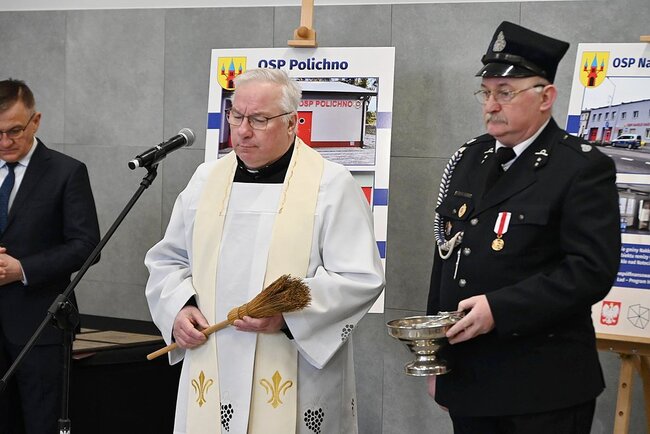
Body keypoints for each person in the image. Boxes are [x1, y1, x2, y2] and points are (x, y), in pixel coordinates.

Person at [145, 68, 384, 434]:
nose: (242, 130)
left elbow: (359, 277)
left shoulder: (330, 185)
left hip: (292, 365)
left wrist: (288, 316)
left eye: (258, 119)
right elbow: (169, 259)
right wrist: (179, 307)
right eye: (236, 116)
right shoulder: (206, 181)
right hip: (213, 358)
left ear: (291, 123)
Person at [426, 21, 620, 434]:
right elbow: (447, 256)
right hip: (471, 377)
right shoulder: (471, 158)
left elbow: (590, 271)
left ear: (545, 97)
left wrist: (500, 309)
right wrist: (436, 357)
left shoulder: (581, 167)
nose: (491, 105)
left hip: (543, 386)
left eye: (505, 93)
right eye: (486, 92)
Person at [0, 79, 101, 434]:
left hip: (39, 327)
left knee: (41, 424)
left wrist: (22, 269)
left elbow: (87, 246)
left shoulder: (66, 172)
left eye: (14, 131)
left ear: (36, 121)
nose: (5, 142)